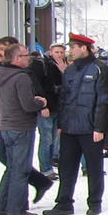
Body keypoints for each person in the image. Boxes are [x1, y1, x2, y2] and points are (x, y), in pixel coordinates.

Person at [44, 33, 108, 215]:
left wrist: (100, 127)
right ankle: (64, 203)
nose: (70, 51)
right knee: (66, 167)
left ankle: (95, 202)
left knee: (93, 167)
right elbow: (64, 99)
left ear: (84, 48)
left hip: (90, 128)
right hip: (69, 127)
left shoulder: (100, 69)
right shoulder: (70, 70)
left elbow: (104, 101)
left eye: (73, 47)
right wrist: (61, 124)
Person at [0, 42, 50, 215]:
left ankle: (0, 208)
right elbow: (27, 105)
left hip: (7, 126)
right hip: (21, 127)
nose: (29, 59)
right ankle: (16, 209)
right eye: (25, 55)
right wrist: (41, 102)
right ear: (16, 58)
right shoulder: (21, 77)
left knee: (12, 168)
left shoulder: (0, 73)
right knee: (20, 170)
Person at [36, 42, 68, 177]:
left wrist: (65, 72)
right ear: (50, 52)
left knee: (54, 139)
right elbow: (39, 86)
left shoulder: (65, 66)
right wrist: (43, 106)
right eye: (57, 52)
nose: (59, 55)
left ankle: (49, 166)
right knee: (46, 138)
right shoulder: (43, 65)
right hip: (47, 107)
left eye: (61, 52)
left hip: (58, 107)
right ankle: (45, 168)